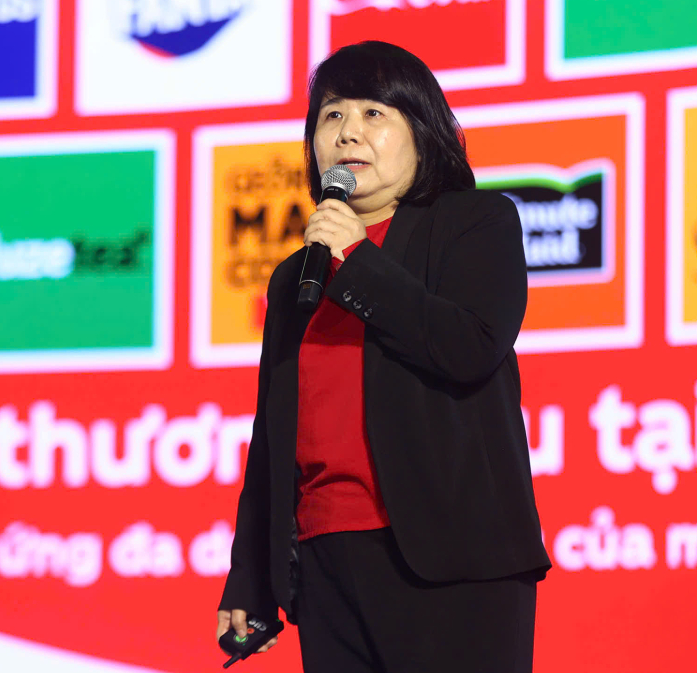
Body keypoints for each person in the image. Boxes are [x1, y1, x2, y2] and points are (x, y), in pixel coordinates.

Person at [216, 40, 551, 673]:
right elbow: (273, 436)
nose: (349, 132)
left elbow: (470, 347)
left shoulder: (475, 222)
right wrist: (250, 578)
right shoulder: (295, 277)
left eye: (374, 113)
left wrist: (359, 262)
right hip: (325, 562)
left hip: (452, 562)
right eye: (332, 116)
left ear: (422, 132)